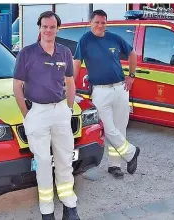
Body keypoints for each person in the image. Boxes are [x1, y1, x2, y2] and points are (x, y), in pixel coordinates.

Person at [13, 11, 79, 220]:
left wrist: (68, 109)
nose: (48, 30)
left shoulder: (65, 52)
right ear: (39, 28)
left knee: (65, 161)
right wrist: (27, 114)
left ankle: (70, 208)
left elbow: (70, 82)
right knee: (42, 162)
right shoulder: (27, 53)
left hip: (60, 111)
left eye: (52, 27)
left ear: (57, 29)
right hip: (37, 112)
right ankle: (47, 212)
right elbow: (17, 86)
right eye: (45, 27)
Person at [73, 9, 141, 179]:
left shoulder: (114, 38)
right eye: (97, 22)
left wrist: (132, 76)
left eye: (103, 22)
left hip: (120, 89)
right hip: (100, 91)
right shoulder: (85, 40)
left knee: (119, 128)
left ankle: (114, 166)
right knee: (108, 128)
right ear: (91, 23)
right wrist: (70, 87)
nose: (100, 25)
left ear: (106, 23)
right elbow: (76, 63)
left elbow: (132, 53)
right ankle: (131, 153)